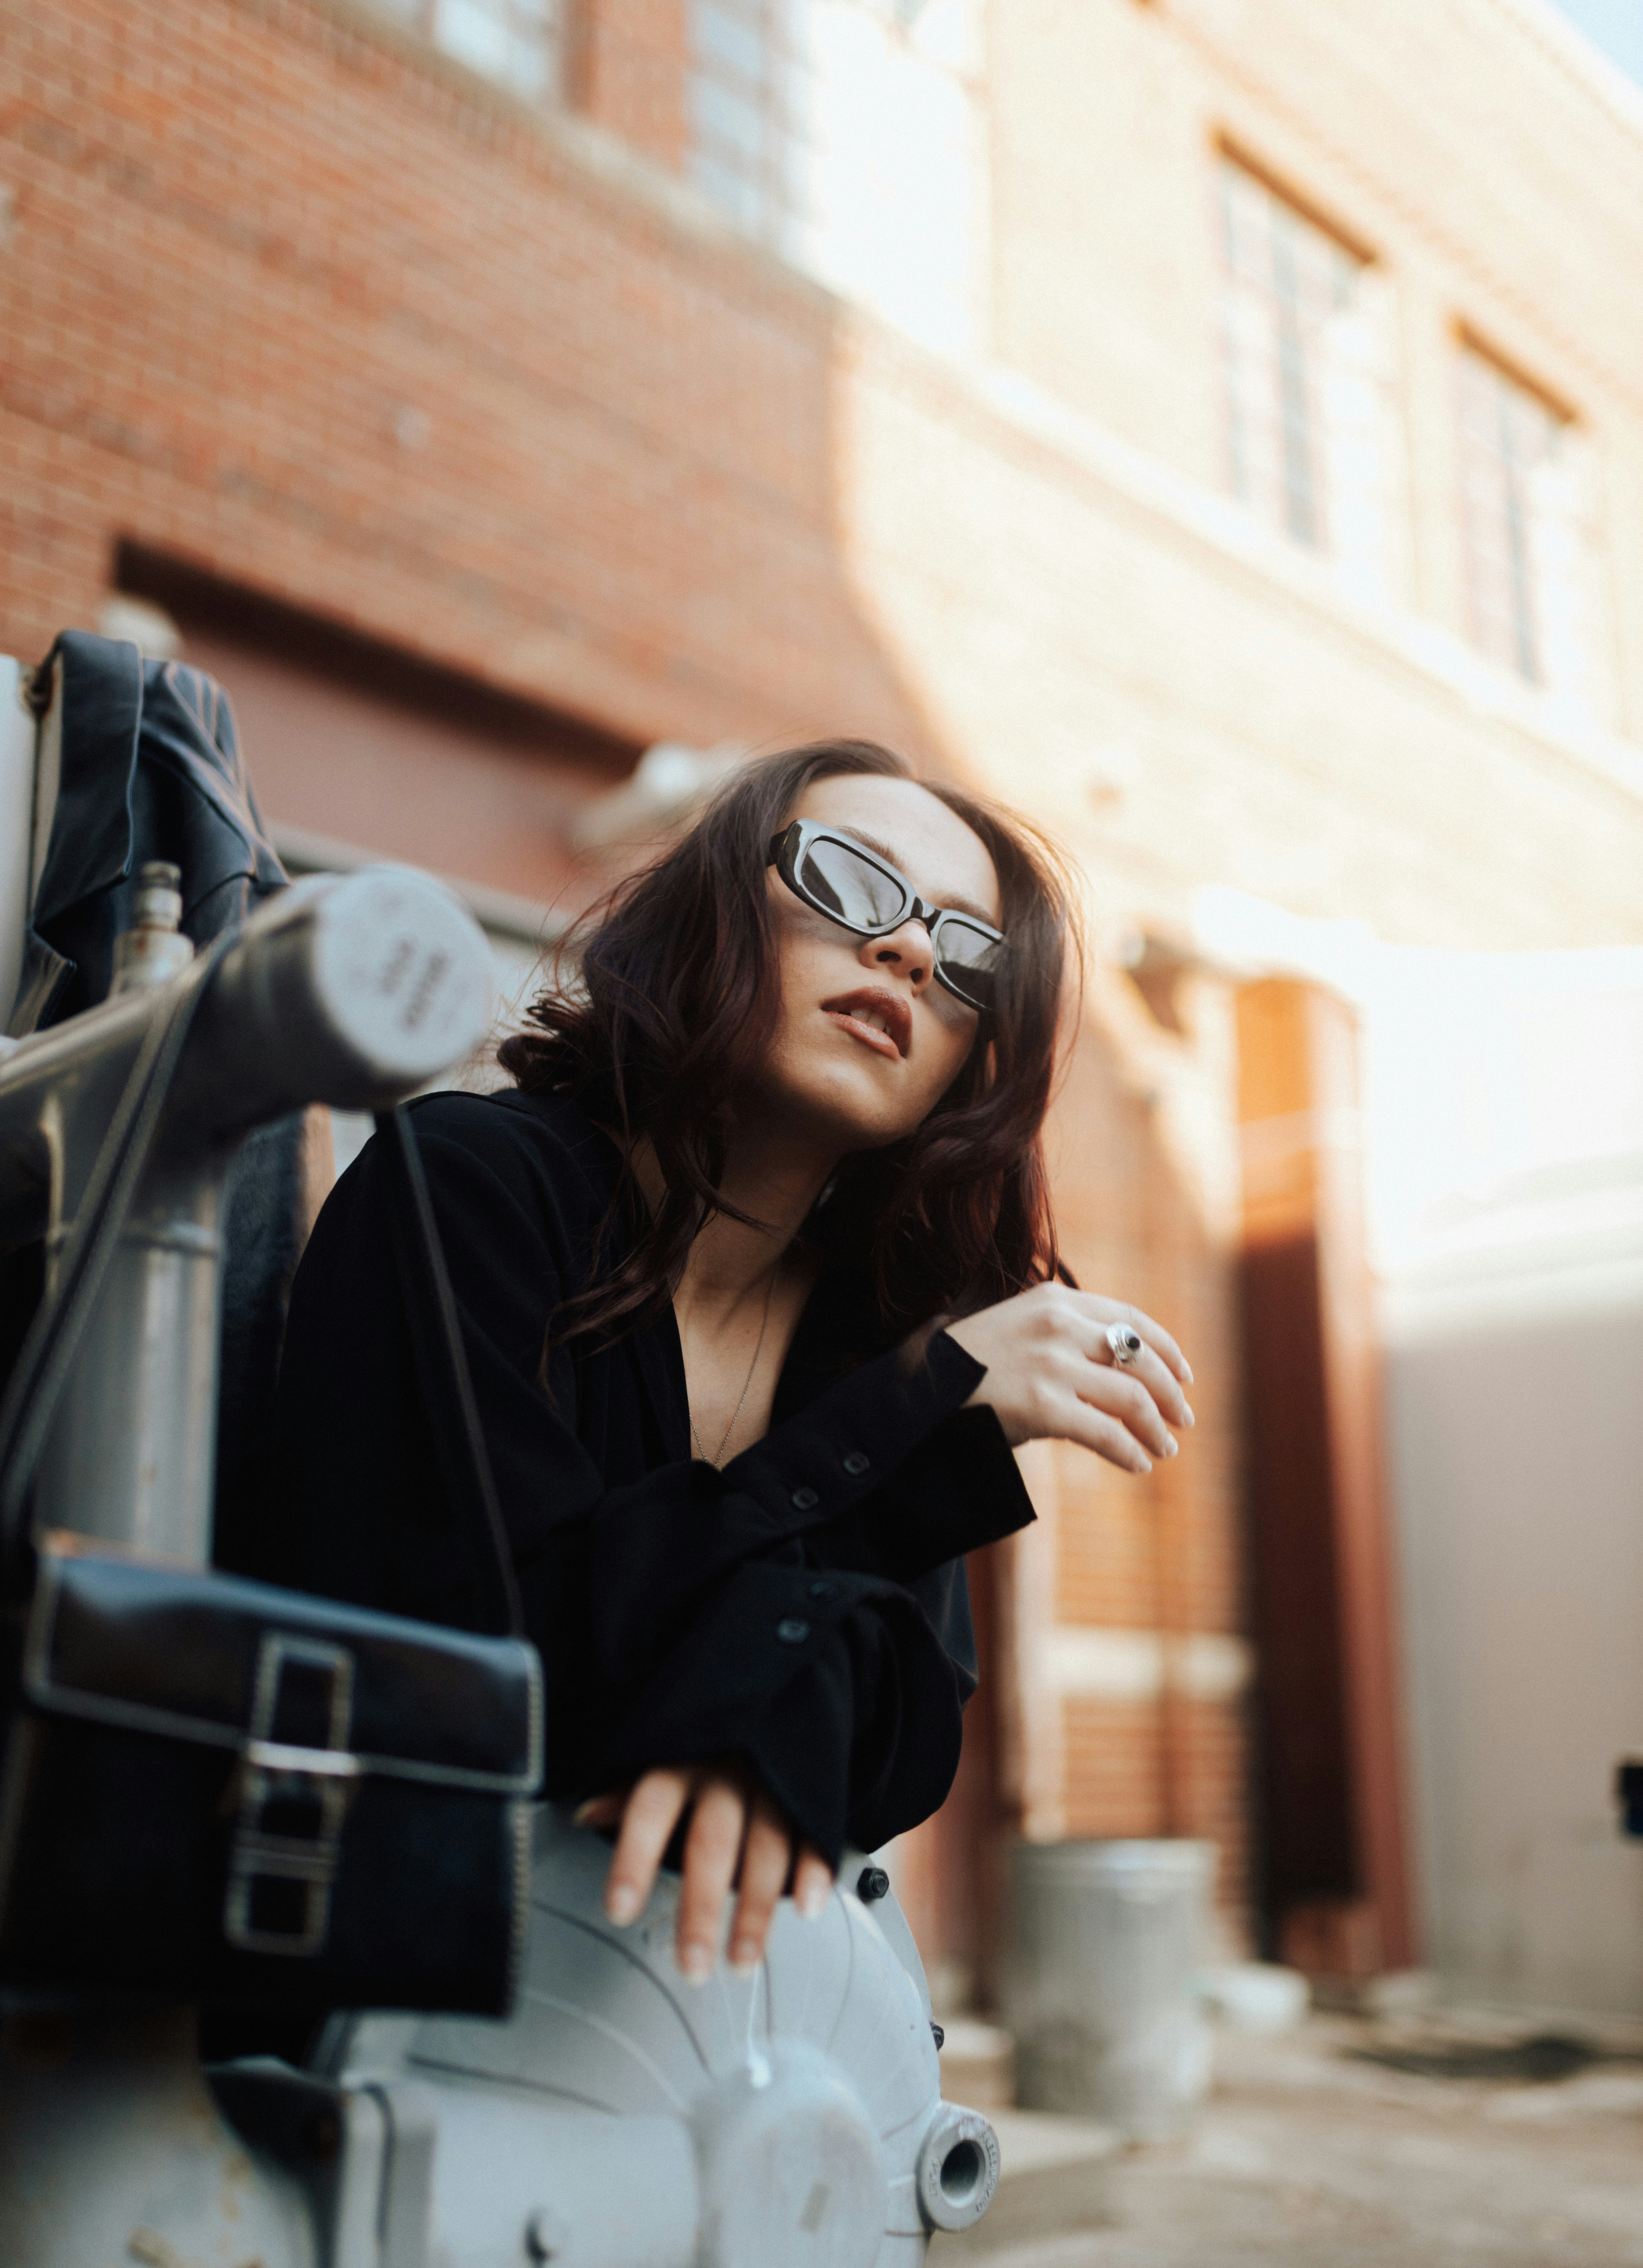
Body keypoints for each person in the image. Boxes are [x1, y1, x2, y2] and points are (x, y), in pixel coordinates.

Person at [269, 740, 1193, 1983]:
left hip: (681, 2028)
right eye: (851, 881)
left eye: (971, 954)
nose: (912, 952)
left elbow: (907, 1728)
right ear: (713, 912)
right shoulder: (469, 1186)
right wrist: (906, 1429)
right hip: (354, 1975)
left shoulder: (876, 1331)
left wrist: (766, 1702)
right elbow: (490, 1641)